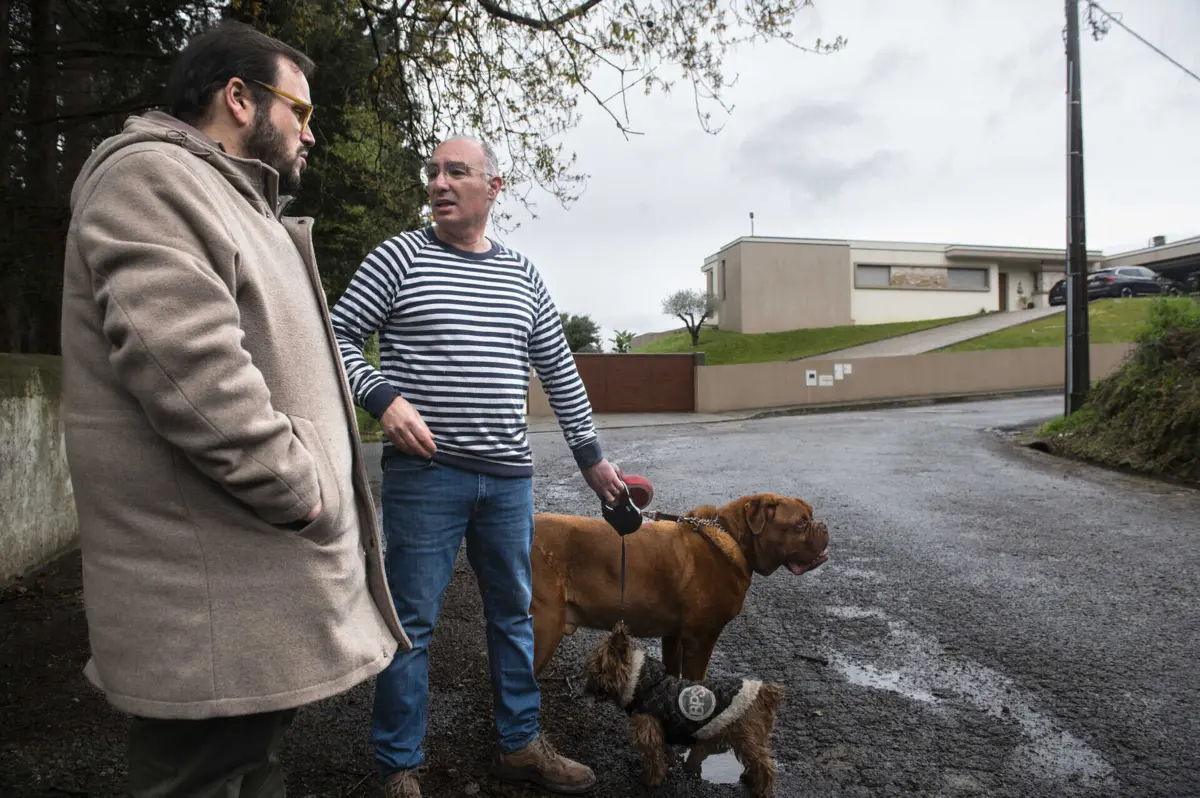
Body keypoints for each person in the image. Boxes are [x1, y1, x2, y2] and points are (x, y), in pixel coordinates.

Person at [59, 19, 409, 797]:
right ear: (239, 97)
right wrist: (304, 487)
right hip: (206, 614)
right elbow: (190, 373)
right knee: (202, 779)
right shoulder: (150, 179)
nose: (310, 133)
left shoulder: (232, 198)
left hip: (249, 606)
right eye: (302, 111)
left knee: (253, 773)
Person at [330, 135, 625, 796]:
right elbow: (336, 333)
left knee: (515, 615)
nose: (438, 182)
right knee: (410, 621)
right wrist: (384, 398)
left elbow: (559, 367)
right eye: (432, 172)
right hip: (425, 474)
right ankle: (398, 766)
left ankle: (519, 744)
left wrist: (592, 461)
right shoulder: (400, 257)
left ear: (493, 188)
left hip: (508, 479)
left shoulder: (522, 274)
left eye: (456, 172)